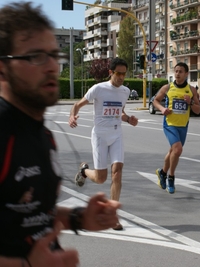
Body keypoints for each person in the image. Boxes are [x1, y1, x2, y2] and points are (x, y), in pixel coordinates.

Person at [0, 2, 121, 266]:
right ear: (2, 68)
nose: (52, 67)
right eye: (36, 56)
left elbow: (31, 213)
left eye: (55, 55)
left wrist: (77, 218)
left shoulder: (43, 134)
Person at [69, 57, 138, 231]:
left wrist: (128, 118)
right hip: (100, 135)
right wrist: (72, 115)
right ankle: (84, 171)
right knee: (101, 178)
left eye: (124, 73)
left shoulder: (125, 92)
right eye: (118, 73)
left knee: (117, 173)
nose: (121, 77)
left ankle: (113, 216)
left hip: (116, 134)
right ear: (110, 72)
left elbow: (119, 112)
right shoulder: (98, 89)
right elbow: (78, 104)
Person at [153, 62, 200, 194]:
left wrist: (190, 102)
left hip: (183, 126)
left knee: (173, 152)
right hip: (170, 124)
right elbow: (155, 101)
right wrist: (162, 109)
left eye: (180, 71)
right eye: (176, 71)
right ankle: (171, 177)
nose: (178, 74)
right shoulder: (168, 88)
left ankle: (162, 172)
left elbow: (198, 110)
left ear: (186, 74)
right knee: (178, 150)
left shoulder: (191, 90)